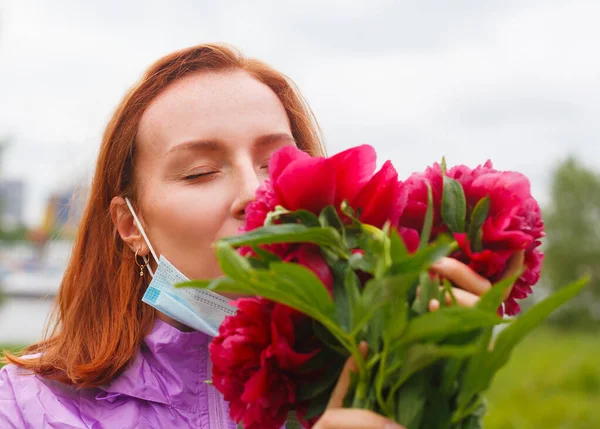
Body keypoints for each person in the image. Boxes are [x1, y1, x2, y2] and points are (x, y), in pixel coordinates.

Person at [0, 44, 521, 429]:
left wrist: (435, 382)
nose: (257, 194)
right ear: (131, 225)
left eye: (278, 164)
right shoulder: (27, 408)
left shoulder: (374, 381)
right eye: (201, 171)